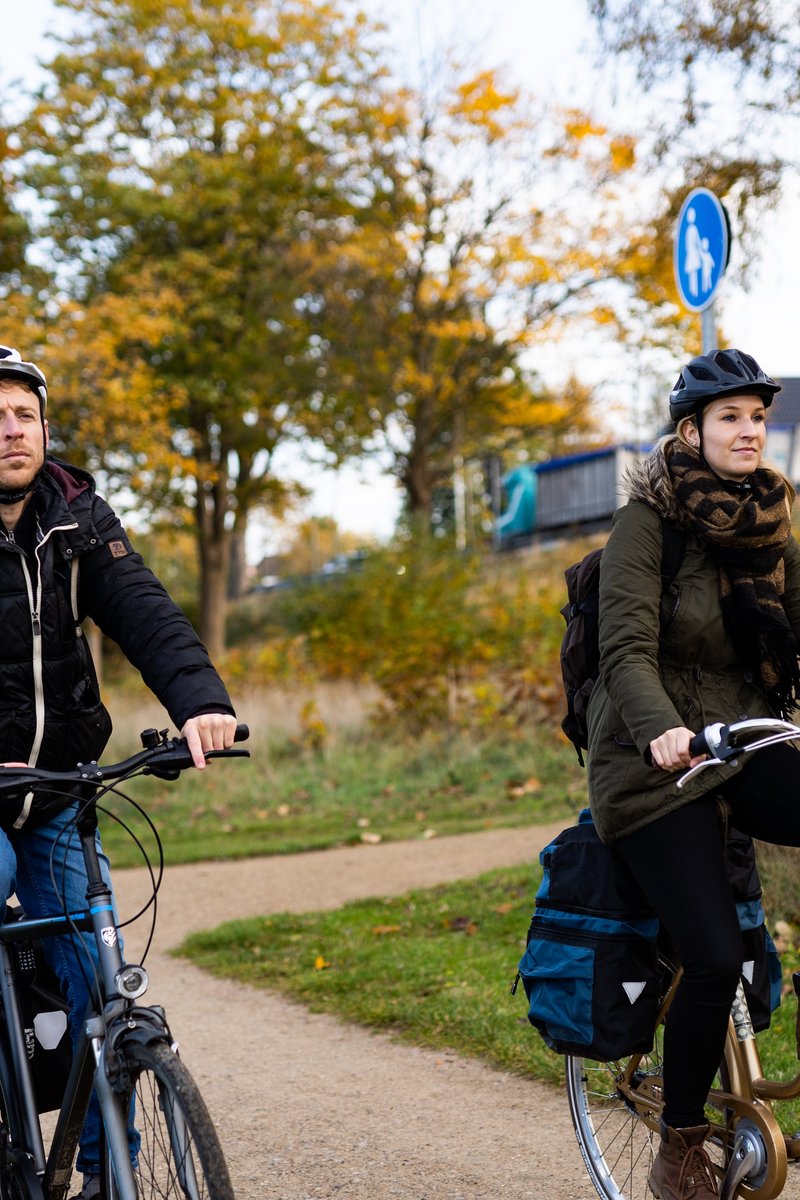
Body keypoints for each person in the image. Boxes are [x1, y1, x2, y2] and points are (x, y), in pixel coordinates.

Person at [0, 345, 238, 1199]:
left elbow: (144, 612)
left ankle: (109, 1180)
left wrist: (198, 700)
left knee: (98, 977)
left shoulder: (77, 515)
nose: (10, 428)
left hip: (58, 785)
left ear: (45, 427)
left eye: (23, 413)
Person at [586, 347, 800, 1200]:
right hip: (652, 764)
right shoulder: (648, 522)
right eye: (730, 418)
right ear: (691, 430)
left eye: (757, 417)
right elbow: (624, 651)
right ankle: (679, 1146)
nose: (749, 431)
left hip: (741, 739)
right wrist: (665, 733)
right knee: (711, 957)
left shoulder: (774, 518)